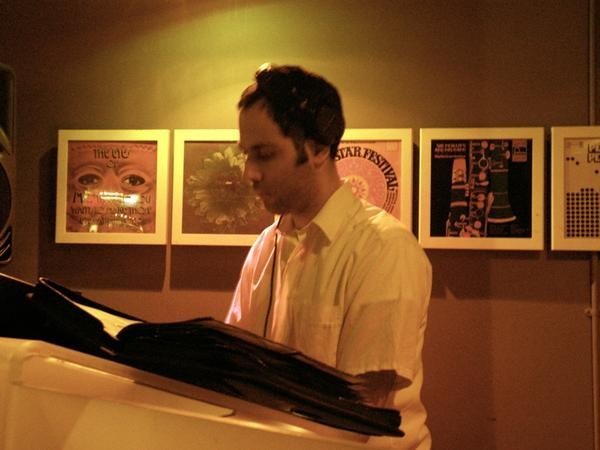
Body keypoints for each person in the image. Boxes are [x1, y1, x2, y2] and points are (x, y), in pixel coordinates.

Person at [225, 63, 432, 449]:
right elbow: (236, 365)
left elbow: (360, 414)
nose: (250, 173)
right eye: (246, 155)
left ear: (318, 149)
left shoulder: (384, 249)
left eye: (264, 154)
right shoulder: (265, 246)